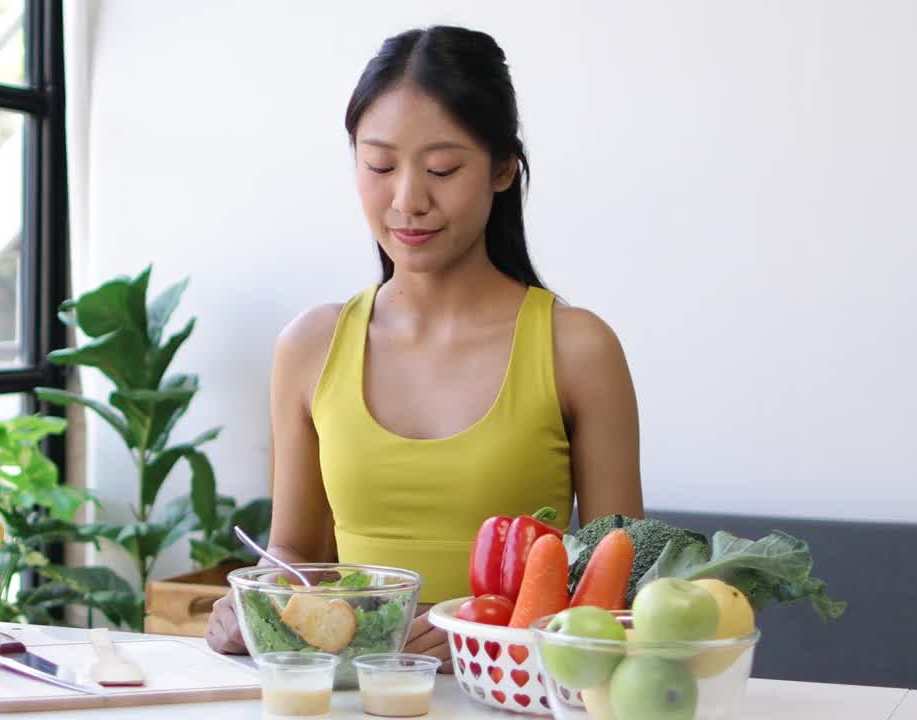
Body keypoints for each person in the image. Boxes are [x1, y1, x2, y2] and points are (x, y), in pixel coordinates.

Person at [205, 25, 643, 670]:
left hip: (509, 698)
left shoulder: (577, 347)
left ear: (502, 170)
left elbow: (620, 583)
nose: (408, 200)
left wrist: (486, 629)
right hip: (354, 699)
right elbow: (294, 551)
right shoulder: (310, 345)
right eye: (379, 165)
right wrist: (260, 602)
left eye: (442, 169)